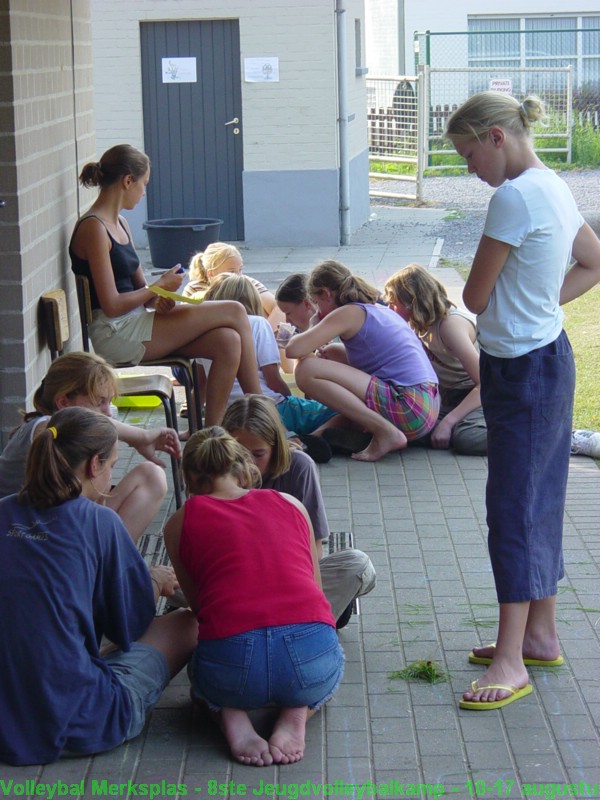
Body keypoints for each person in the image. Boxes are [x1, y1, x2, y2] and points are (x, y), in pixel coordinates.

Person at [445, 92, 600, 710]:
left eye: (467, 154)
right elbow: (593, 261)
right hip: (547, 359)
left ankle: (513, 661)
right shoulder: (554, 185)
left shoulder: (511, 198)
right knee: (540, 498)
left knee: (513, 509)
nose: (469, 169)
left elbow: (475, 297)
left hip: (521, 372)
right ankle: (539, 633)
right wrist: (540, 305)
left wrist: (524, 304)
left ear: (495, 137)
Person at [0, 406, 197, 766]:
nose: (110, 479)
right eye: (111, 467)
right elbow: (127, 625)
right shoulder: (99, 522)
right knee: (187, 624)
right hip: (77, 719)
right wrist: (154, 580)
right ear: (94, 465)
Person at [163, 426, 345, 767]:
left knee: (202, 676)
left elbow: (202, 607)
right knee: (331, 663)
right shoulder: (290, 503)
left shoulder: (179, 522)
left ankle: (229, 713)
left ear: (188, 478)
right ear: (245, 467)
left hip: (234, 665)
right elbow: (316, 589)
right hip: (308, 655)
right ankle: (296, 710)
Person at [69, 144, 261, 426]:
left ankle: (211, 436)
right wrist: (156, 285)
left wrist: (160, 296)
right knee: (234, 310)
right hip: (114, 333)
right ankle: (262, 414)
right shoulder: (93, 228)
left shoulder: (120, 223)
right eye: (144, 184)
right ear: (127, 181)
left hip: (135, 321)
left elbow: (143, 294)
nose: (144, 192)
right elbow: (110, 304)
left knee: (228, 341)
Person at [222, 394, 376, 628]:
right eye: (239, 454)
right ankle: (302, 623)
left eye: (258, 454)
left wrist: (299, 585)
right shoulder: (217, 471)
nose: (248, 464)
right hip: (239, 579)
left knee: (358, 565)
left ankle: (299, 621)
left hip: (289, 578)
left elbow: (315, 545)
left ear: (276, 446)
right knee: (168, 578)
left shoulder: (299, 466)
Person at [0, 352, 178, 543]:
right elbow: (69, 424)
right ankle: (111, 567)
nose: (108, 412)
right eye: (99, 402)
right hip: (25, 536)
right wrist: (138, 436)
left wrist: (139, 438)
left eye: (109, 402)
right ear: (63, 403)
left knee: (151, 476)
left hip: (56, 524)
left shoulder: (68, 432)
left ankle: (114, 562)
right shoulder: (45, 429)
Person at [285, 260, 440, 462]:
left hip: (409, 405)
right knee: (332, 351)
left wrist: (313, 324)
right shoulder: (375, 309)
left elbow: (294, 349)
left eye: (317, 302)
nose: (318, 309)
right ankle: (317, 438)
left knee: (306, 370)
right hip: (425, 407)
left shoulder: (349, 312)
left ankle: (385, 432)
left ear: (326, 293)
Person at [203, 274, 338, 439]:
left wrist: (195, 428)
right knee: (341, 411)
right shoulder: (258, 323)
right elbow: (273, 380)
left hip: (227, 415)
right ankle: (308, 439)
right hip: (269, 409)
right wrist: (289, 398)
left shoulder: (205, 331)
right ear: (253, 299)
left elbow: (200, 386)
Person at [384, 264, 486, 456]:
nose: (389, 308)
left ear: (411, 302)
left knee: (466, 437)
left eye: (393, 303)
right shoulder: (417, 325)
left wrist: (448, 422)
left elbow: (486, 383)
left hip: (478, 397)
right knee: (407, 424)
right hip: (447, 396)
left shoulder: (450, 326)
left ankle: (527, 433)